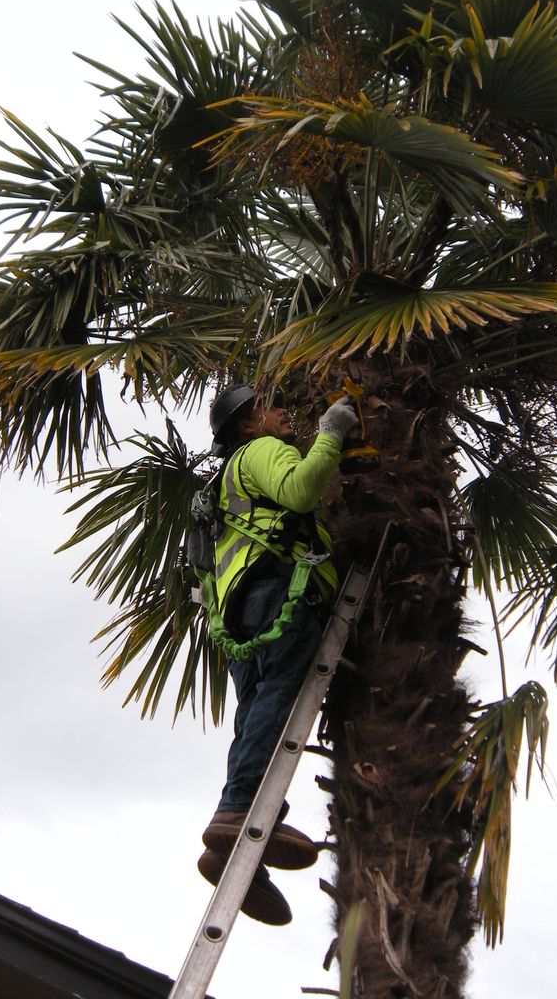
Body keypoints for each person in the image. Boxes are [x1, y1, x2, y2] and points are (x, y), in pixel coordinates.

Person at [194, 383, 359, 925]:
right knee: (283, 697)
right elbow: (301, 490)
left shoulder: (226, 480)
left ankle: (239, 843)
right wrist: (332, 433)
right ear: (246, 424)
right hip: (275, 592)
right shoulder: (262, 451)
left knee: (257, 712)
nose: (285, 412)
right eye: (271, 407)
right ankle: (242, 808)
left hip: (239, 607)